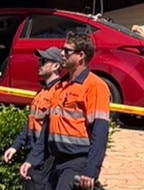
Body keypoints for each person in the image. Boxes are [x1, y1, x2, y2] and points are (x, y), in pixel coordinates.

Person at [20, 33, 111, 190]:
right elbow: (46, 130)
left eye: (67, 50)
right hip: (54, 159)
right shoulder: (60, 86)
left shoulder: (95, 86)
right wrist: (32, 159)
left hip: (76, 161)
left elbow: (100, 132)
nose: (62, 53)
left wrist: (91, 170)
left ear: (81, 56)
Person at [4, 47, 63, 190]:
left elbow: (48, 130)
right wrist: (15, 146)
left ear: (56, 66)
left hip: (46, 159)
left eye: (44, 61)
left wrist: (34, 159)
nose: (39, 65)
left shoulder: (58, 93)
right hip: (35, 155)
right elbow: (30, 123)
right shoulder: (43, 91)